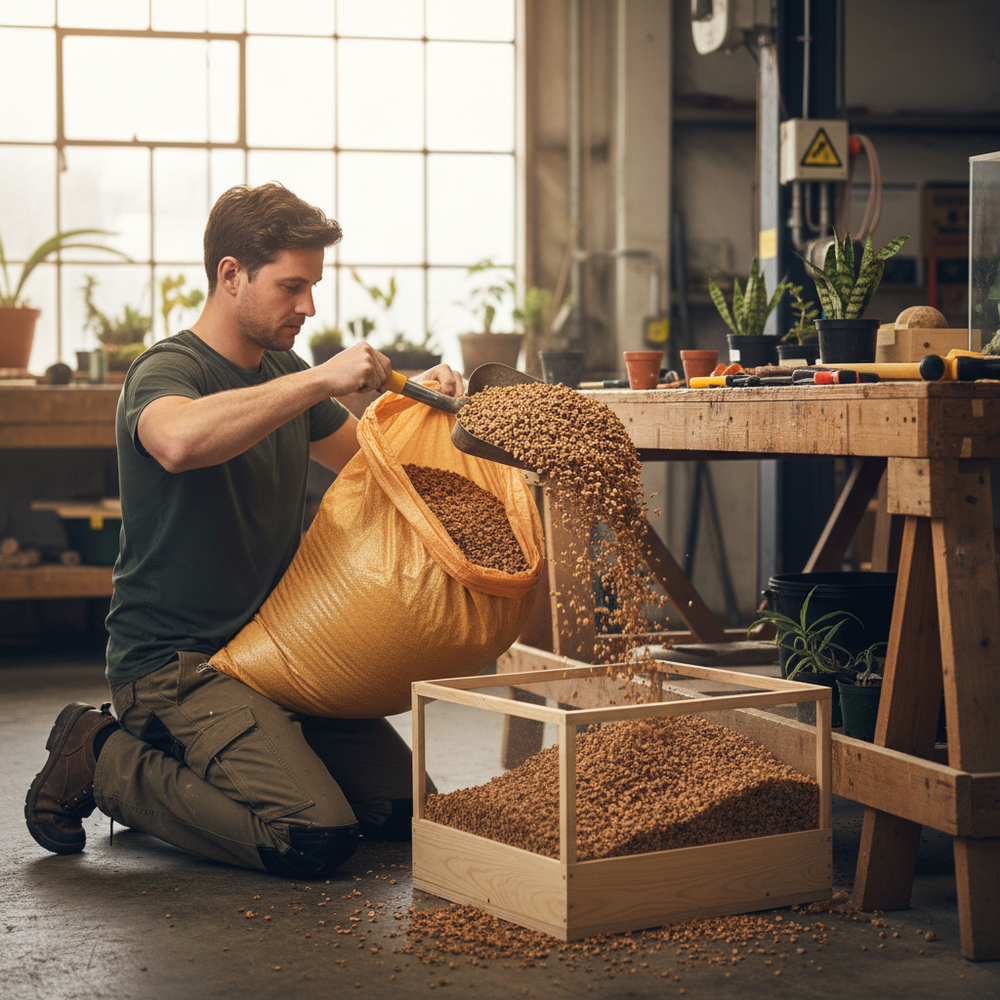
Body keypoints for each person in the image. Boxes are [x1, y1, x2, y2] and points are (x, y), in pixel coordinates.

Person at [24, 181, 464, 877]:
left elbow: (367, 462)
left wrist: (423, 408)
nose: (309, 306)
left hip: (275, 657)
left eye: (313, 287)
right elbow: (179, 442)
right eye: (292, 287)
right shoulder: (168, 369)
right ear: (231, 275)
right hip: (172, 666)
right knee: (313, 836)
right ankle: (103, 754)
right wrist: (321, 380)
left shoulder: (285, 372)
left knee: (407, 814)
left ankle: (215, 759)